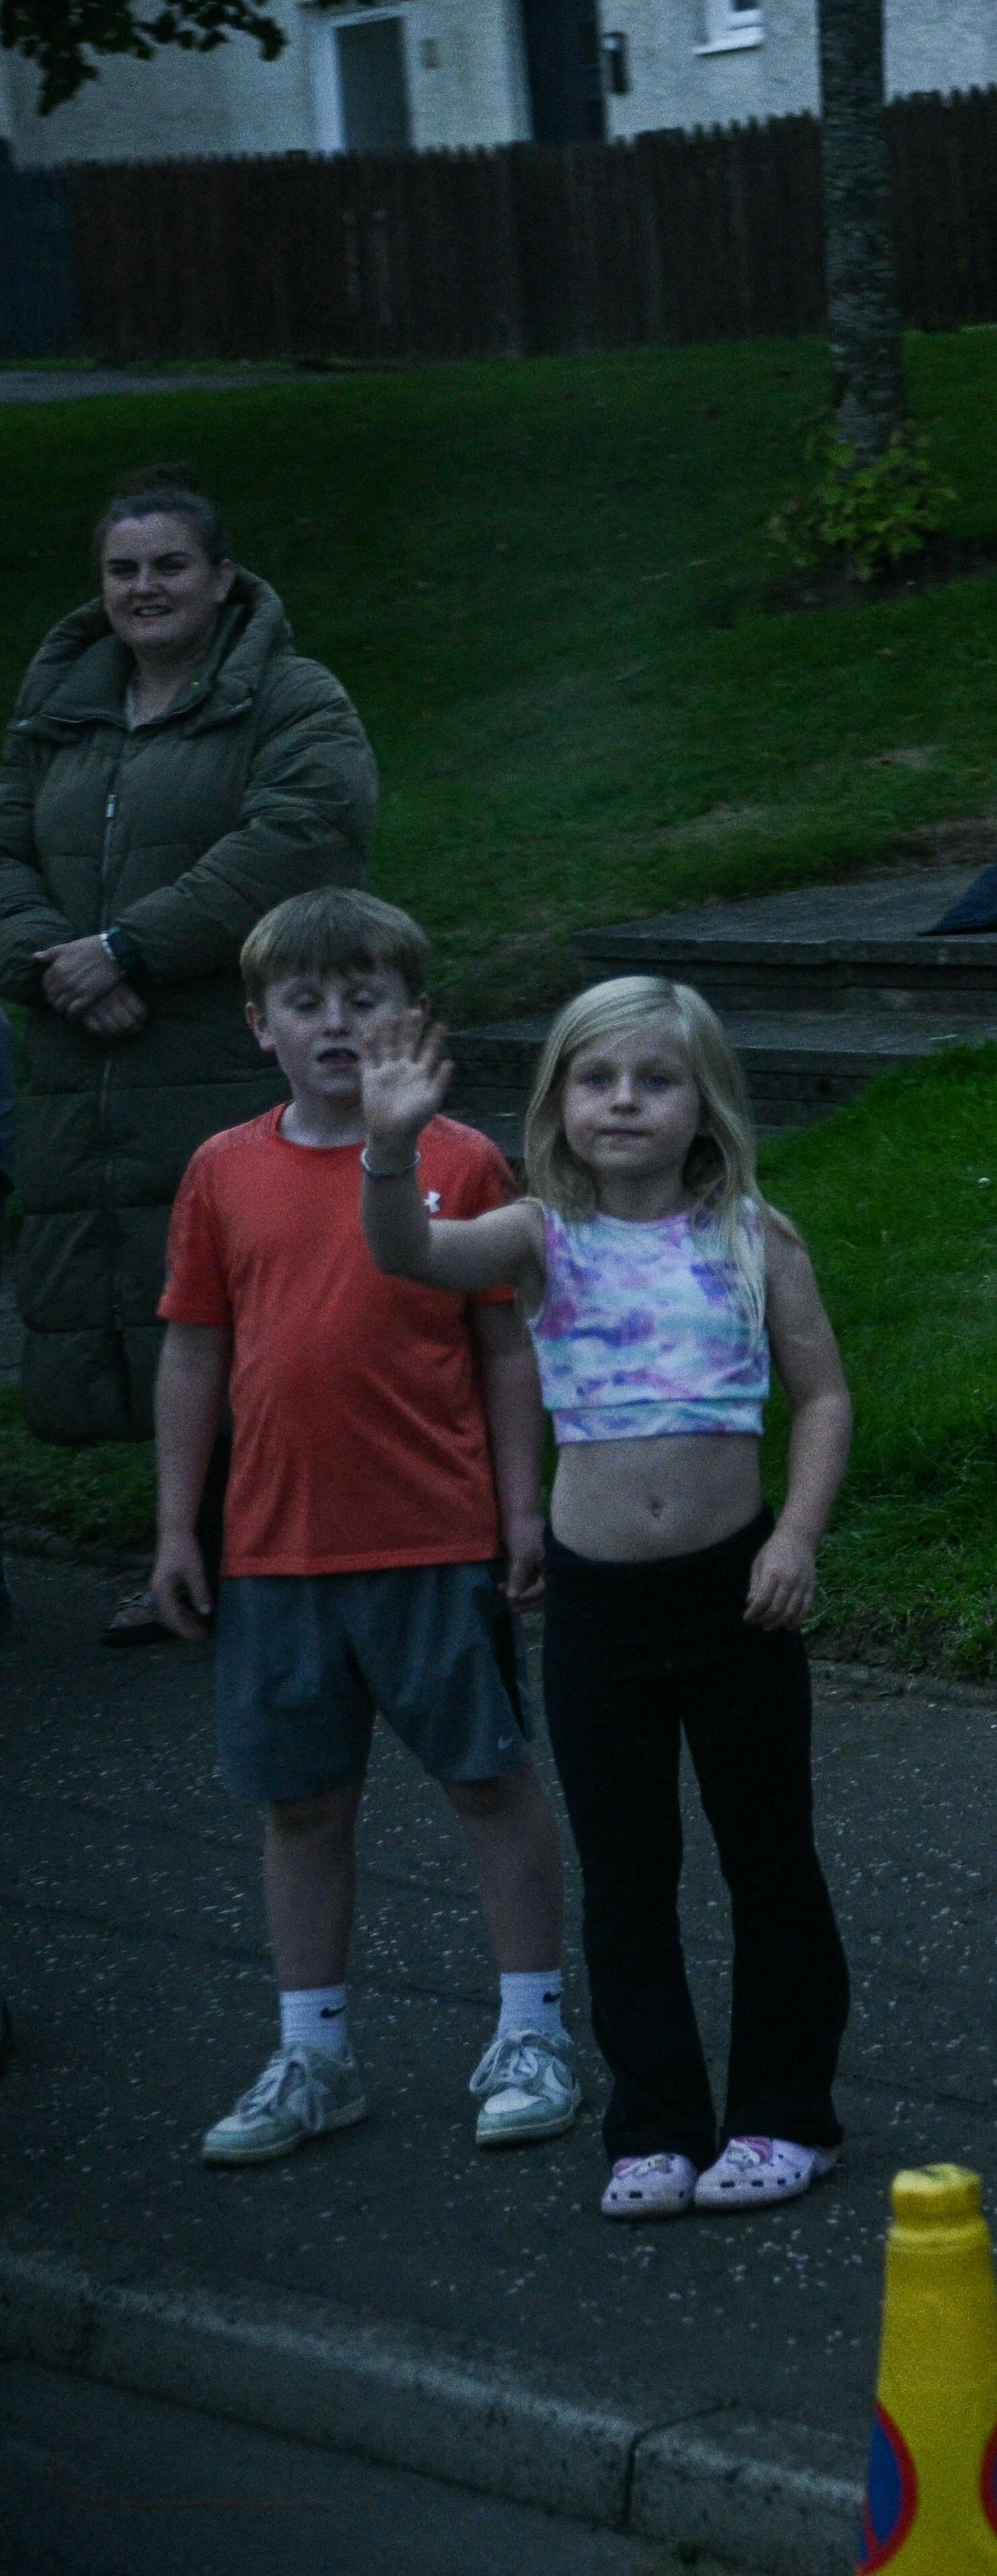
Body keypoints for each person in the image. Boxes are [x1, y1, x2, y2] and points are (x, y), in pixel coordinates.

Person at [356, 973, 860, 2226]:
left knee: (769, 1860)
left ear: (705, 1105)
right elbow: (409, 1252)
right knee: (628, 1873)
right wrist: (388, 1145)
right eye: (596, 1079)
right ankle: (655, 2124)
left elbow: (828, 1398)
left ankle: (785, 2112)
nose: (622, 1100)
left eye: (653, 1078)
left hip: (734, 1593)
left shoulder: (756, 1233)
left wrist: (794, 1533)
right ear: (558, 1103)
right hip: (598, 1611)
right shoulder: (539, 1236)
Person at [147, 889, 579, 2171]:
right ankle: (314, 2052)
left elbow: (506, 1344)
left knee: (489, 1782)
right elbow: (193, 1351)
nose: (336, 1023)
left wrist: (520, 1503)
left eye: (365, 996)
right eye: (306, 1000)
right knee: (300, 1806)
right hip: (275, 1551)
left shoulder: (462, 1164)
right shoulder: (222, 1169)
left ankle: (532, 2029)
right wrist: (178, 1525)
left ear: (416, 1018)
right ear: (260, 1025)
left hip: (435, 1538)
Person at [0, 471, 377, 1642]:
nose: (145, 587)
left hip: (227, 1053)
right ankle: (194, 1560)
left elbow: (302, 837)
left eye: (170, 565)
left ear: (221, 579)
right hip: (87, 1065)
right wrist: (55, 964)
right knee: (149, 1300)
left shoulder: (292, 698)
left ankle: (277, 1565)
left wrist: (132, 948)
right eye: (123, 568)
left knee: (252, 1309)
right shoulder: (61, 709)